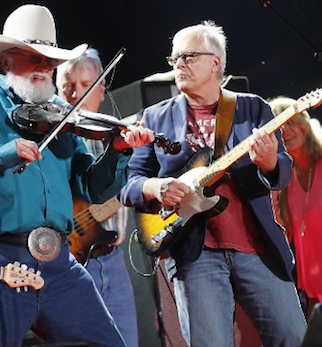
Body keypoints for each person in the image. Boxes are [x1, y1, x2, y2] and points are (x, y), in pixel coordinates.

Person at [0, 4, 154, 347]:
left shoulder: (59, 110)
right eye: (33, 57)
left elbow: (90, 186)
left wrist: (117, 152)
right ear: (7, 58)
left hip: (57, 264)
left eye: (49, 59)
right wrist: (0, 153)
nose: (44, 67)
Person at [119, 21, 307, 347]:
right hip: (195, 255)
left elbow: (284, 173)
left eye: (189, 56)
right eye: (174, 58)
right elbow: (129, 184)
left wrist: (270, 162)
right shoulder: (155, 117)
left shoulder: (252, 108)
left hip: (257, 249)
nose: (179, 64)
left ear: (215, 62)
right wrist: (157, 188)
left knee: (295, 338)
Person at [56, 48, 138, 347]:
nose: (75, 94)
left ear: (102, 89)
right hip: (69, 262)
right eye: (67, 85)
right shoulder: (55, 140)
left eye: (85, 85)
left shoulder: (118, 135)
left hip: (112, 261)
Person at [270, 96, 322, 318]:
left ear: (304, 124)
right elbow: (282, 232)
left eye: (289, 123)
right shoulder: (285, 181)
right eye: (277, 128)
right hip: (311, 289)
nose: (285, 132)